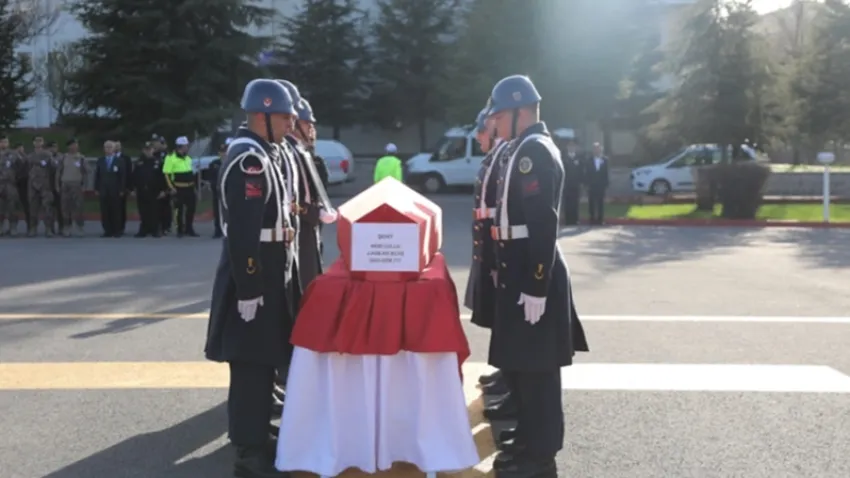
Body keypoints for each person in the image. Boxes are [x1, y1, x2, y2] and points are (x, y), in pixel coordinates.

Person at [485, 74, 589, 478]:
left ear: (519, 112)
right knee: (526, 369)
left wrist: (536, 284)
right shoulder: (522, 147)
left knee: (540, 375)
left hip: (533, 272)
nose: (494, 123)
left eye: (499, 116)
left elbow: (542, 223)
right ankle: (528, 442)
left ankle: (540, 459)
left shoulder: (534, 152)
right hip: (522, 268)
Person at [204, 78, 298, 478]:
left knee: (263, 361)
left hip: (266, 274)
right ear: (262, 114)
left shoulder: (265, 150)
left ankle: (257, 434)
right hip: (254, 276)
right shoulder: (250, 160)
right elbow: (243, 231)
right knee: (249, 365)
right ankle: (248, 452)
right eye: (285, 115)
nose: (292, 123)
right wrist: (250, 287)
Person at [465, 107, 512, 400]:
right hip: (491, 248)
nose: (478, 136)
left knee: (506, 318)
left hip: (499, 249)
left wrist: (495, 256)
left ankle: (509, 374)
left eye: (482, 130)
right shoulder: (494, 157)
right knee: (499, 316)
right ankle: (504, 370)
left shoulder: (504, 156)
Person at [162, 136, 199, 237]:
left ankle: (189, 228)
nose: (187, 148)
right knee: (179, 209)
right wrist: (171, 188)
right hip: (178, 188)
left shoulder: (188, 158)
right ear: (180, 147)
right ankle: (180, 230)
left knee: (191, 208)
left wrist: (195, 186)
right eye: (186, 146)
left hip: (190, 187)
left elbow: (192, 173)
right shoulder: (170, 158)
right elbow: (167, 174)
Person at [94, 140, 128, 238]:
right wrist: (96, 188)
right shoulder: (100, 160)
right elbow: (97, 176)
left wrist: (122, 189)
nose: (108, 149)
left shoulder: (120, 161)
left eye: (110, 147)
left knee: (116, 210)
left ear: (114, 149)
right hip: (104, 190)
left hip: (116, 190)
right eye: (106, 147)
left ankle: (117, 230)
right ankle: (107, 230)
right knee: (105, 211)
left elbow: (123, 176)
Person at [133, 141, 167, 237]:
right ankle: (143, 229)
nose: (148, 151)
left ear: (153, 150)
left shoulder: (158, 162)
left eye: (150, 149)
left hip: (154, 191)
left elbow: (163, 177)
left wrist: (164, 190)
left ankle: (155, 230)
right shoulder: (139, 163)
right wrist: (133, 188)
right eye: (146, 150)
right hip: (142, 190)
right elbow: (134, 176)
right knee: (143, 211)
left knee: (154, 211)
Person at [56, 138, 88, 237]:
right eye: (72, 145)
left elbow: (86, 173)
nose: (74, 147)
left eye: (75, 144)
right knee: (65, 207)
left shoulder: (81, 158)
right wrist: (57, 185)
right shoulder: (63, 158)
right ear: (68, 147)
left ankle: (79, 226)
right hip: (65, 184)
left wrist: (85, 186)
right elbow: (58, 173)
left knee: (78, 207)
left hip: (77, 184)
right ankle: (66, 226)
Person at [26, 136, 55, 237]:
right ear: (33, 143)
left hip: (45, 184)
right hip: (32, 184)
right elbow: (27, 169)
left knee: (47, 207)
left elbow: (53, 168)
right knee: (33, 207)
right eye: (36, 141)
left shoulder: (47, 154)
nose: (38, 143)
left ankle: (48, 229)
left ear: (43, 143)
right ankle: (33, 228)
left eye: (40, 141)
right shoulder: (29, 156)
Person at [553, 129, 582, 226]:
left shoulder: (579, 158)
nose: (572, 148)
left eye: (573, 146)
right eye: (570, 146)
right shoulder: (564, 158)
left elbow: (581, 171)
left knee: (575, 203)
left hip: (576, 184)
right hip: (567, 184)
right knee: (567, 203)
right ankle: (568, 220)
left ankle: (575, 219)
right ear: (567, 147)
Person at [0, 134, 21, 236]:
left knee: (12, 206)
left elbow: (22, 166)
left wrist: (16, 178)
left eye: (5, 141)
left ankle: (13, 227)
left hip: (10, 183)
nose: (3, 144)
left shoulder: (14, 154)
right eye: (1, 142)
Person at [584, 142, 609, 225]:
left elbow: (606, 173)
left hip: (601, 185)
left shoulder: (605, 160)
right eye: (595, 149)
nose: (596, 150)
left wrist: (606, 184)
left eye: (598, 148)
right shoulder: (588, 160)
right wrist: (587, 184)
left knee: (600, 202)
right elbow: (587, 173)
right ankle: (592, 219)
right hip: (591, 185)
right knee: (591, 202)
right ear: (593, 150)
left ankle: (600, 219)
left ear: (601, 149)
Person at [209, 141, 227, 239]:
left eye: (225, 152)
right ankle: (217, 230)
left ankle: (227, 229)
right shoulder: (214, 164)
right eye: (221, 152)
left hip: (228, 192)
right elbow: (211, 177)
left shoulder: (230, 162)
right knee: (217, 211)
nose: (223, 154)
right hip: (217, 190)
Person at [115, 140, 132, 234]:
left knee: (121, 208)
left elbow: (128, 173)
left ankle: (121, 227)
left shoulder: (126, 158)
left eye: (118, 146)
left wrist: (128, 187)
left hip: (122, 187)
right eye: (115, 146)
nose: (116, 147)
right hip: (112, 187)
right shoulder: (109, 157)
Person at [46, 141, 63, 235]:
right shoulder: (45, 157)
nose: (53, 149)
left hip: (59, 186)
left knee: (60, 208)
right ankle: (50, 228)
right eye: (51, 147)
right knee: (49, 209)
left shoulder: (62, 157)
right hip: (47, 186)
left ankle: (62, 227)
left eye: (55, 147)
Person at [13, 142, 29, 229]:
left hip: (24, 184)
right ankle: (13, 227)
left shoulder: (27, 158)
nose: (20, 150)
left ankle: (29, 226)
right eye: (18, 148)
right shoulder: (12, 159)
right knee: (13, 206)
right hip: (13, 184)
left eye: (21, 148)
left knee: (26, 205)